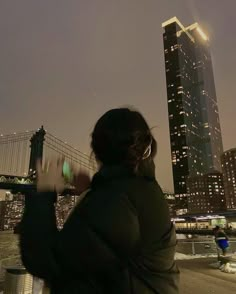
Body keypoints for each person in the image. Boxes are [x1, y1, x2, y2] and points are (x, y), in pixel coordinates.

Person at [20, 108, 179, 293]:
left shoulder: (115, 200)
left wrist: (44, 192)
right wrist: (92, 189)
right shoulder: (144, 189)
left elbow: (45, 261)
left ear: (96, 150)